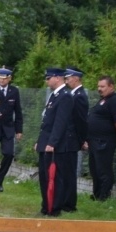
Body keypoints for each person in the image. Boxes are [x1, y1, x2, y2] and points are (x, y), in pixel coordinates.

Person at [35, 68, 76, 217]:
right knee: (44, 177)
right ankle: (46, 206)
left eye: (48, 78)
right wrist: (39, 141)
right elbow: (46, 122)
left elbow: (60, 123)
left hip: (54, 146)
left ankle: (54, 208)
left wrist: (52, 143)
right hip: (45, 142)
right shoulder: (55, 95)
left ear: (57, 78)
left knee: (54, 177)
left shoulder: (65, 96)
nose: (47, 81)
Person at [86, 75, 116, 201]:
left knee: (103, 169)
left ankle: (104, 196)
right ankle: (96, 194)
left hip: (105, 141)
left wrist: (115, 137)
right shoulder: (103, 100)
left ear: (111, 86)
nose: (99, 89)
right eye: (98, 86)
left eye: (102, 86)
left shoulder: (115, 101)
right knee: (94, 169)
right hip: (94, 141)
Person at [64, 66, 88, 212]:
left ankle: (70, 204)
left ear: (76, 78)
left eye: (68, 78)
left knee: (69, 172)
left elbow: (81, 120)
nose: (66, 81)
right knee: (65, 171)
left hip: (72, 139)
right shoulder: (72, 94)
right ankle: (65, 200)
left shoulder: (79, 96)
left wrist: (82, 140)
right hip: (68, 138)